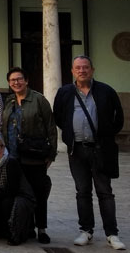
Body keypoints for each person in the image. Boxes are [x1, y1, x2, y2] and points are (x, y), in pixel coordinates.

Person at [53, 56, 126, 250]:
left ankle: (112, 233)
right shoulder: (65, 92)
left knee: (105, 192)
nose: (82, 70)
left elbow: (118, 118)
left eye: (85, 67)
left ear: (92, 70)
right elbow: (59, 117)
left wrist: (106, 136)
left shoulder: (106, 91)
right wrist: (71, 135)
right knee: (82, 192)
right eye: (78, 67)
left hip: (100, 150)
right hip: (77, 150)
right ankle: (86, 231)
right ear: (72, 71)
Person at [2, 67, 57, 244]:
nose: (16, 83)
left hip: (34, 156)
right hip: (13, 157)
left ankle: (41, 228)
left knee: (39, 194)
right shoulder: (9, 101)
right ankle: (26, 227)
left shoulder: (39, 100)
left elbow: (51, 127)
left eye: (19, 79)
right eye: (12, 80)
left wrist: (51, 154)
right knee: (19, 194)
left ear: (26, 81)